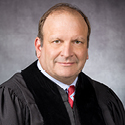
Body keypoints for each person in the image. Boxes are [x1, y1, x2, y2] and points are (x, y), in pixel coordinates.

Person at [0, 3, 125, 125]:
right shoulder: (12, 99)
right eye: (57, 41)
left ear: (86, 49)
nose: (67, 53)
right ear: (39, 47)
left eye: (77, 41)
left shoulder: (105, 98)